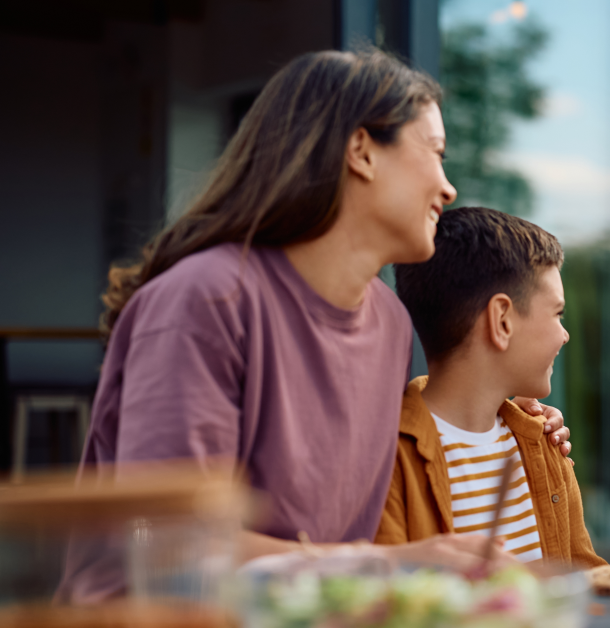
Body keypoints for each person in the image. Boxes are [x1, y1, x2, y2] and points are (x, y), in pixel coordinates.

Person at [65, 50, 572, 601]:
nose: (448, 188)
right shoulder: (204, 302)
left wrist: (504, 412)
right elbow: (170, 553)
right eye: (435, 152)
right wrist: (390, 566)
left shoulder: (388, 325)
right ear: (361, 152)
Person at [380, 207, 605, 568]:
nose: (565, 335)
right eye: (557, 313)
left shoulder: (544, 444)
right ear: (502, 320)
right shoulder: (387, 460)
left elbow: (588, 583)